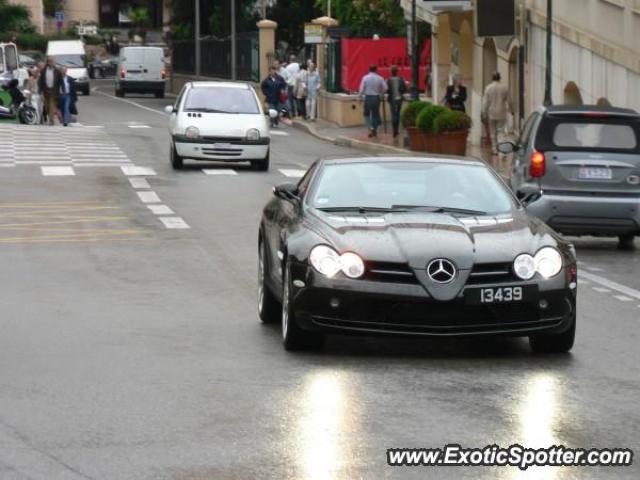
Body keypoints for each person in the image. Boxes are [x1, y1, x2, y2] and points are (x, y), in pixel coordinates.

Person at [482, 71, 513, 155]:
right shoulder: (504, 87)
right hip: (501, 112)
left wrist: (484, 112)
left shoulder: (488, 88)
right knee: (500, 131)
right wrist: (511, 110)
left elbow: (485, 102)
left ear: (492, 78)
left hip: (491, 112)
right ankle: (500, 148)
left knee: (492, 132)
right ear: (500, 78)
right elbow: (509, 101)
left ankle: (494, 149)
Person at [358, 64, 387, 137]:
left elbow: (361, 89)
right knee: (375, 114)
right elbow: (385, 88)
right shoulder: (380, 78)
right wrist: (381, 94)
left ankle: (370, 128)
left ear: (369, 70)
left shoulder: (365, 78)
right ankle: (374, 129)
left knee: (366, 114)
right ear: (376, 70)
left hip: (368, 97)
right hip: (376, 97)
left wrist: (360, 97)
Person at [38, 57, 62, 126]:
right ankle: (50, 117)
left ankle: (51, 121)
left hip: (54, 91)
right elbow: (41, 81)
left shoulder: (57, 71)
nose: (52, 63)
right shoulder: (43, 71)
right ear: (48, 62)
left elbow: (61, 81)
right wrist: (40, 90)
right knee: (47, 106)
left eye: (53, 61)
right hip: (46, 90)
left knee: (52, 106)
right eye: (50, 61)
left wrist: (61, 89)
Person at [386, 65, 407, 137]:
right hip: (399, 99)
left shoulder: (388, 80)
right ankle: (396, 130)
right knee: (397, 114)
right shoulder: (401, 79)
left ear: (391, 72)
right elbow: (404, 89)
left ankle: (394, 130)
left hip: (392, 99)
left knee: (393, 114)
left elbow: (387, 90)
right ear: (397, 71)